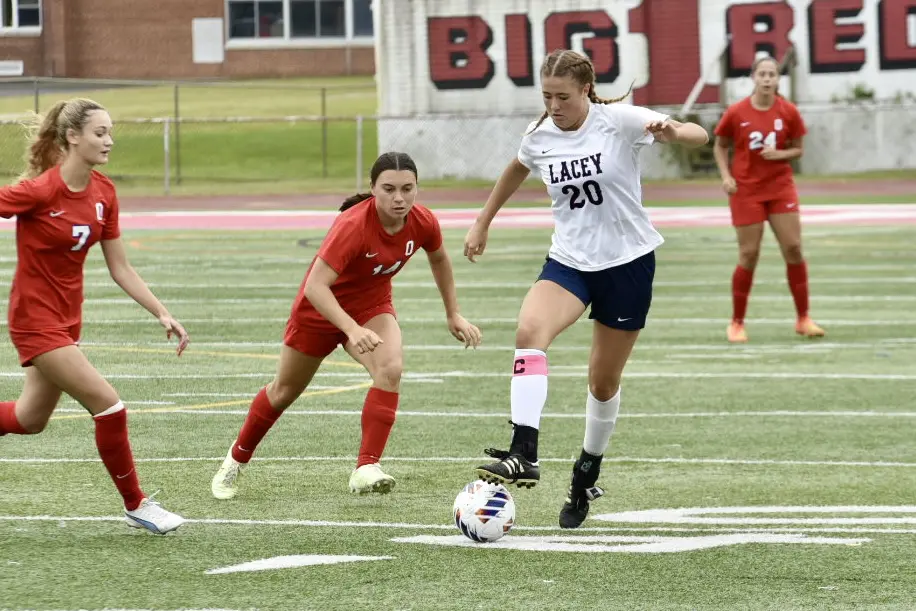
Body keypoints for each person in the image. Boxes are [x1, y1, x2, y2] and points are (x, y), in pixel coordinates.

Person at [463, 49, 709, 529]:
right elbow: (517, 166)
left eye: (563, 97)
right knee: (529, 329)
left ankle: (585, 470)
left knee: (602, 382)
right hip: (570, 263)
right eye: (547, 96)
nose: (554, 106)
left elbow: (700, 134)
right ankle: (524, 450)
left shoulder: (617, 121)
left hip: (628, 265)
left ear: (585, 91)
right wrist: (482, 221)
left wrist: (675, 131)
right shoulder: (540, 138)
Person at [211, 152, 481, 500]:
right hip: (318, 312)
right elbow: (315, 287)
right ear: (372, 189)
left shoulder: (423, 221)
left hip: (371, 307)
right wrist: (351, 330)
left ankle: (366, 467)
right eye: (388, 189)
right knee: (283, 392)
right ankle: (234, 461)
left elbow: (440, 258)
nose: (399, 198)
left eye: (407, 189)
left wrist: (453, 313)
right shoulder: (353, 225)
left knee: (390, 369)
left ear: (417, 189)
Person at [0, 98, 190, 534]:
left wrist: (162, 312)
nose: (110, 140)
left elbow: (120, 267)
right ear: (72, 137)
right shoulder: (41, 191)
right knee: (109, 405)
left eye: (110, 132)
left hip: (67, 321)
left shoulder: (104, 192)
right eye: (100, 132)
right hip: (34, 320)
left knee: (29, 419)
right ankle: (138, 504)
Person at [713, 55, 825, 343]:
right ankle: (736, 323)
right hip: (746, 190)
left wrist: (781, 155)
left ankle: (803, 318)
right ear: (753, 77)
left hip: (779, 188)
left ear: (778, 79)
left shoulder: (788, 111)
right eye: (762, 74)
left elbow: (799, 149)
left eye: (772, 74)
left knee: (794, 247)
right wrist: (726, 176)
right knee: (749, 254)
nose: (766, 79)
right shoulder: (737, 112)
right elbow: (720, 145)